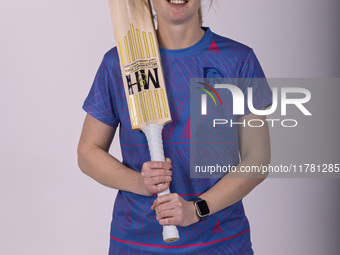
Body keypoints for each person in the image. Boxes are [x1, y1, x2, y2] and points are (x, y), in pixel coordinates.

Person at [78, 0, 272, 254]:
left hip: (220, 242)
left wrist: (197, 209)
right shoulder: (118, 64)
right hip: (137, 243)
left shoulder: (239, 60)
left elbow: (258, 159)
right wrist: (138, 182)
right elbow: (87, 152)